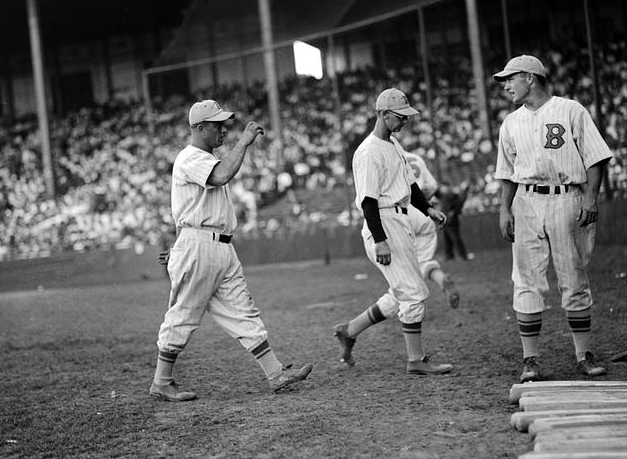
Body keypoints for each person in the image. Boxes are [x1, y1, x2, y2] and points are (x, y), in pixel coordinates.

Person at [150, 99, 313, 401]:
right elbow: (222, 176)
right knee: (184, 314)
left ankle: (276, 374)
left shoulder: (205, 158)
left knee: (243, 310)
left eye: (224, 125)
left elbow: (186, 208)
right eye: (217, 126)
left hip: (220, 246)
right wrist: (245, 142)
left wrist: (177, 246)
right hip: (199, 244)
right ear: (199, 128)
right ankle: (161, 381)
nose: (223, 130)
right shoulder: (190, 158)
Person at [493, 55, 613, 383]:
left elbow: (595, 157)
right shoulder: (511, 123)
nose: (505, 85)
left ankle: (583, 354)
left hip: (567, 196)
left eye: (510, 78)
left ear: (530, 78)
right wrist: (505, 208)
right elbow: (506, 173)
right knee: (526, 279)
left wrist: (590, 196)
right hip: (526, 200)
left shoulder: (571, 109)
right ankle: (530, 360)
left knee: (573, 276)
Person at [332, 88, 454, 374]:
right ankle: (415, 361)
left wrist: (428, 210)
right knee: (413, 292)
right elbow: (367, 202)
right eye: (400, 117)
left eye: (406, 117)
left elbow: (410, 185)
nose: (405, 122)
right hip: (383, 224)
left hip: (400, 219)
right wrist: (381, 241)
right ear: (383, 115)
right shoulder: (368, 152)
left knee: (400, 293)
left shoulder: (393, 144)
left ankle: (349, 330)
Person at [402, 151, 460, 308]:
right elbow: (432, 187)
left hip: (402, 212)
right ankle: (441, 278)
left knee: (402, 265)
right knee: (424, 261)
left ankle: (408, 305)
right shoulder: (416, 158)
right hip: (424, 210)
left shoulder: (385, 154)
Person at [436, 180, 472, 261]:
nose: (441, 188)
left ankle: (463, 256)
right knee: (447, 239)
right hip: (445, 220)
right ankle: (449, 256)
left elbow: (459, 203)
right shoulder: (445, 195)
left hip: (451, 220)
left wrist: (454, 212)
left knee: (455, 238)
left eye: (443, 187)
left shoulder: (451, 194)